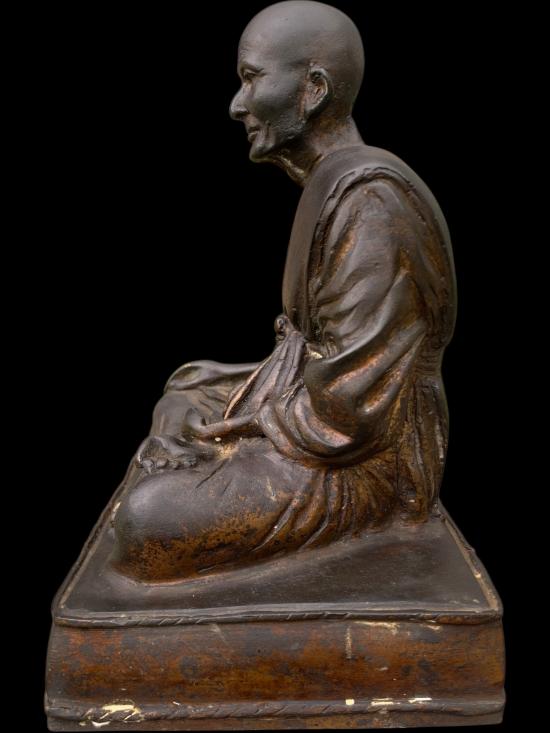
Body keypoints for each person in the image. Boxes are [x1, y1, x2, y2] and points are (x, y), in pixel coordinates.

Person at [111, 0, 456, 582]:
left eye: (252, 79)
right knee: (187, 385)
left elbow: (353, 408)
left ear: (313, 90)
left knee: (145, 521)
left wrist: (245, 427)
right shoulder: (331, 183)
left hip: (363, 464)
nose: (237, 104)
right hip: (309, 409)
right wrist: (232, 405)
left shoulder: (373, 204)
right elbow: (305, 354)